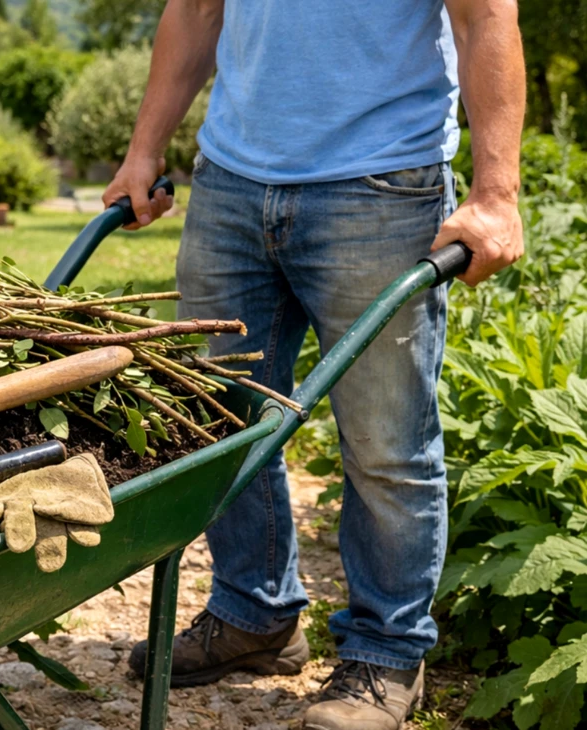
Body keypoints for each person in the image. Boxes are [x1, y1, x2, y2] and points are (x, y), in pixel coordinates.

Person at [103, 1, 525, 728]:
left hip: (381, 186)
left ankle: (387, 655)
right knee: (222, 422)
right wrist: (144, 152)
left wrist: (496, 194)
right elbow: (198, 9)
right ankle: (253, 615)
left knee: (385, 442)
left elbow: (485, 15)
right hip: (229, 183)